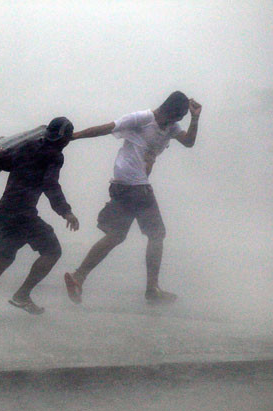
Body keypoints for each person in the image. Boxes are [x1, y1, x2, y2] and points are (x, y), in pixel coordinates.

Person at [64, 91, 202, 305]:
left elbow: (189, 142)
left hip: (124, 185)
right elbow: (105, 128)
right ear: (167, 109)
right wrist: (73, 136)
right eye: (177, 116)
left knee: (116, 236)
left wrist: (195, 117)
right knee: (157, 234)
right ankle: (152, 289)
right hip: (134, 185)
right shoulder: (142, 118)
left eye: (181, 118)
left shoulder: (170, 126)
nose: (176, 122)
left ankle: (79, 276)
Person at [0, 117, 79, 316]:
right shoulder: (54, 155)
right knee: (52, 251)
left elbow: (8, 163)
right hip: (23, 214)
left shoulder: (27, 146)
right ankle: (22, 295)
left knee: (3, 258)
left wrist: (0, 155)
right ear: (65, 139)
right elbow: (50, 185)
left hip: (7, 210)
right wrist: (65, 211)